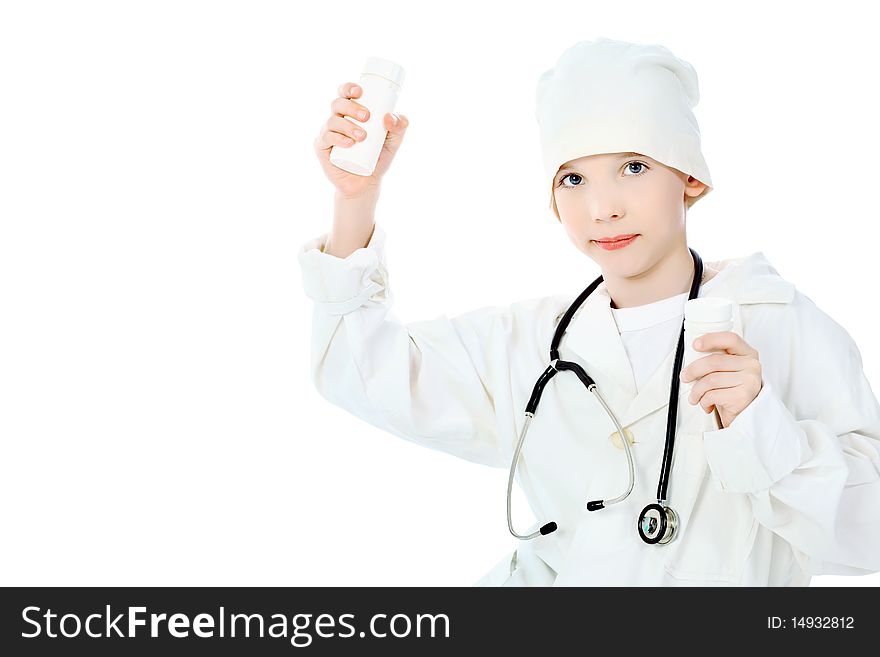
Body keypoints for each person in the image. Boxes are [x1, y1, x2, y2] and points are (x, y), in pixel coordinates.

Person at [299, 37, 880, 586]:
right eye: (572, 178)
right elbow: (361, 369)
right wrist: (355, 200)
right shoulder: (529, 340)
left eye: (634, 168)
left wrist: (761, 428)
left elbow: (868, 533)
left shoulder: (778, 324)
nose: (601, 208)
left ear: (691, 178)